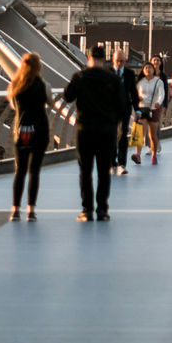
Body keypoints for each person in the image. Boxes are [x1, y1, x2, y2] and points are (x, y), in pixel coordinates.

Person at [62, 45, 126, 222]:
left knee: (86, 170)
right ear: (104, 60)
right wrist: (118, 125)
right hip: (107, 129)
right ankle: (102, 210)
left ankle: (87, 210)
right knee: (104, 170)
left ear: (88, 58)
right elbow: (122, 105)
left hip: (85, 129)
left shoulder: (80, 77)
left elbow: (67, 97)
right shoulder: (113, 79)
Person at [7, 52, 50, 222]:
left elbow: (13, 105)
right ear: (39, 67)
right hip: (39, 131)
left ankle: (15, 210)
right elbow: (51, 102)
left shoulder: (15, 85)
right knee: (34, 171)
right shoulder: (43, 85)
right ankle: (31, 210)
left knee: (20, 171)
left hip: (21, 131)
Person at [135, 56, 168, 165]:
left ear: (153, 70)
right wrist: (137, 98)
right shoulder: (140, 82)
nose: (148, 70)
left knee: (152, 134)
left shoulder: (158, 82)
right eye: (146, 68)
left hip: (153, 109)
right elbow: (135, 93)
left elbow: (162, 94)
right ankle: (138, 155)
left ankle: (154, 155)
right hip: (142, 108)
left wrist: (159, 102)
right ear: (143, 70)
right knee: (140, 133)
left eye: (150, 68)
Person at [114, 59, 140, 176]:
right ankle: (112, 160)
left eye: (122, 61)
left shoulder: (129, 73)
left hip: (125, 109)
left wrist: (137, 109)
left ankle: (121, 163)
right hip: (110, 109)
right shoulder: (108, 72)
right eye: (117, 61)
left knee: (123, 133)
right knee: (111, 134)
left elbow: (134, 92)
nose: (119, 63)